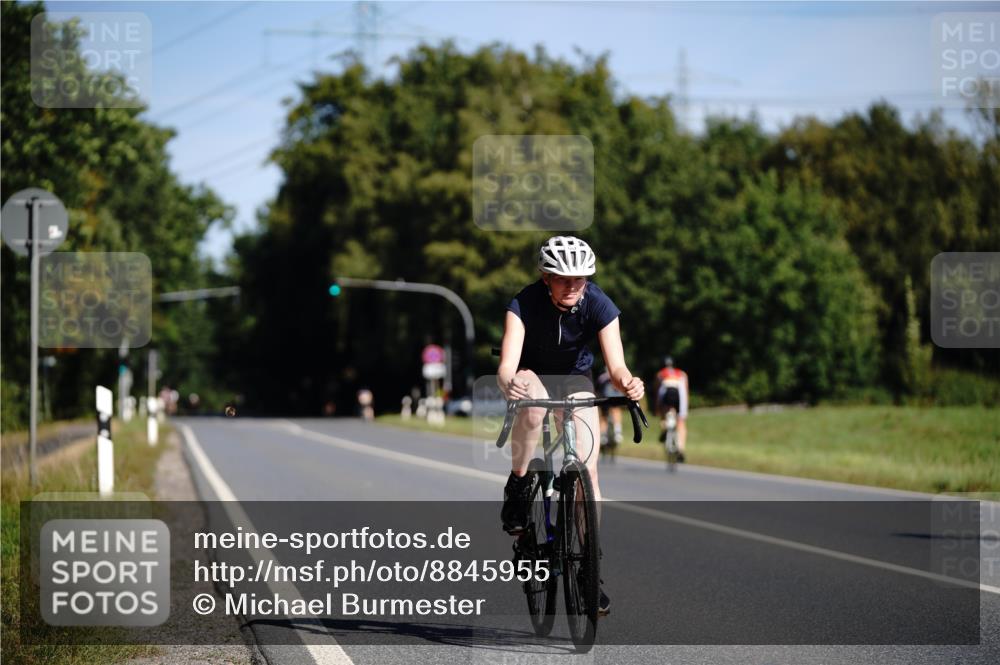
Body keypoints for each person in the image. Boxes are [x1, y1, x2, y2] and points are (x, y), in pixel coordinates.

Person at [496, 235, 645, 616]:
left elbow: (616, 366)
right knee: (531, 403)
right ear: (546, 277)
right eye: (563, 278)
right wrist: (509, 383)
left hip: (577, 381)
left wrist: (629, 383)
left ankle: (589, 573)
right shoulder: (523, 303)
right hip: (532, 376)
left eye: (579, 279)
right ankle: (519, 482)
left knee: (589, 476)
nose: (572, 286)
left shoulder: (598, 303)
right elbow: (507, 367)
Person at [655, 356, 688, 460]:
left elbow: (658, 392)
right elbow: (685, 391)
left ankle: (664, 429)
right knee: (681, 422)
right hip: (680, 395)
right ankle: (681, 449)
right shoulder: (682, 374)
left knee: (664, 415)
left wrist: (657, 408)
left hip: (666, 394)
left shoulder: (660, 374)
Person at [595, 369, 624, 454]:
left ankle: (603, 435)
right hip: (616, 397)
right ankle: (617, 431)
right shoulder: (618, 375)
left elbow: (596, 390)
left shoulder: (602, 377)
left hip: (604, 398)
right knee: (616, 410)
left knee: (603, 416)